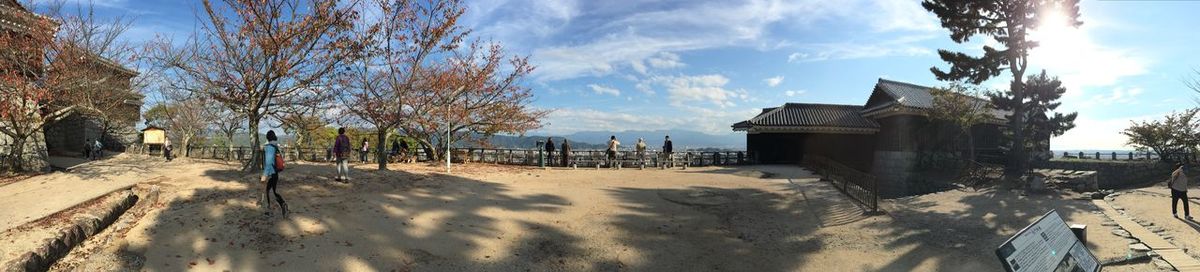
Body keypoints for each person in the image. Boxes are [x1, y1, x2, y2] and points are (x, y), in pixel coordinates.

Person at [262, 130, 288, 217]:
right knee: (273, 191)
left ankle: (272, 209)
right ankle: (282, 204)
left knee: (269, 191)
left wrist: (265, 175)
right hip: (275, 172)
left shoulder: (269, 147)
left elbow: (269, 162)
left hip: (271, 173)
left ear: (267, 137)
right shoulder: (275, 146)